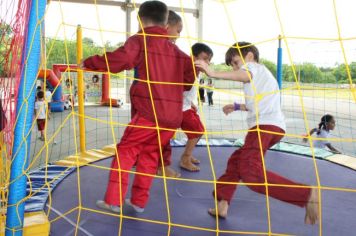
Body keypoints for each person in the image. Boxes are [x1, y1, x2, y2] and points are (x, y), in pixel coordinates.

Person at [82, 0, 195, 213]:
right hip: (172, 118)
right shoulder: (178, 52)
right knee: (150, 156)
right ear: (165, 23)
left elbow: (121, 59)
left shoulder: (141, 39)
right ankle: (138, 202)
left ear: (139, 20)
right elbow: (189, 76)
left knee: (126, 151)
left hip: (149, 114)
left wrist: (89, 62)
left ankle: (113, 200)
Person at [195, 42, 319, 224]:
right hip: (272, 127)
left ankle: (305, 194)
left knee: (251, 174)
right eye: (233, 66)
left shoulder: (253, 68)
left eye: (236, 62)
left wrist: (213, 73)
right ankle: (223, 202)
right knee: (236, 161)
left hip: (264, 128)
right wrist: (236, 106)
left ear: (250, 55)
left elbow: (244, 74)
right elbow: (256, 104)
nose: (236, 67)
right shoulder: (261, 78)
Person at [158, 43, 213, 176]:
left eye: (208, 60)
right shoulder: (188, 69)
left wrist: (191, 103)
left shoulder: (198, 72)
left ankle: (187, 154)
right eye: (204, 58)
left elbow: (189, 91)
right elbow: (177, 87)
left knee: (198, 131)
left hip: (186, 106)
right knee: (195, 131)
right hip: (178, 108)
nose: (207, 62)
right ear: (192, 57)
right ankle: (184, 159)